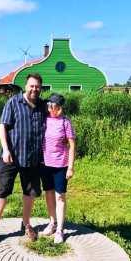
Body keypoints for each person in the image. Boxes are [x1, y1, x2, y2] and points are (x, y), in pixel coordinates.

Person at [0, 73, 46, 245]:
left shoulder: (43, 106)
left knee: (30, 192)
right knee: (2, 190)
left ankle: (26, 224)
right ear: (26, 86)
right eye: (31, 86)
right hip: (11, 156)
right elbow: (2, 126)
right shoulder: (13, 102)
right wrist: (6, 150)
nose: (34, 89)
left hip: (32, 157)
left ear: (41, 88)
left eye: (37, 86)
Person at [39, 93, 76, 244]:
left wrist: (71, 167)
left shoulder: (65, 122)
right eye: (51, 105)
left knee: (60, 196)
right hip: (45, 164)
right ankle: (52, 223)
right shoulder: (45, 120)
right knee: (48, 194)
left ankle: (60, 229)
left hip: (61, 165)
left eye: (56, 106)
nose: (53, 109)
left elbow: (72, 145)